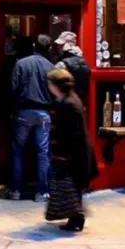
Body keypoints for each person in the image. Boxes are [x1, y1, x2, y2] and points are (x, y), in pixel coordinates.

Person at [45, 69, 98, 232]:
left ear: (55, 85)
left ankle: (76, 220)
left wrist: (64, 156)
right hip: (70, 153)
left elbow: (72, 133)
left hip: (72, 154)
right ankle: (74, 218)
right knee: (69, 186)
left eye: (49, 83)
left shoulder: (69, 104)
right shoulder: (67, 100)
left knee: (70, 186)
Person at [10, 34, 54, 202]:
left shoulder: (20, 64)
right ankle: (42, 192)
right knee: (43, 152)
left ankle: (16, 190)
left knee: (18, 151)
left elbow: (13, 89)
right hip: (44, 113)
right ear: (49, 48)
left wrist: (12, 110)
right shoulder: (51, 67)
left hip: (23, 112)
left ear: (35, 46)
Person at [54, 32, 91, 106]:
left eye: (61, 45)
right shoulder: (83, 61)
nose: (58, 47)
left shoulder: (63, 64)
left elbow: (53, 81)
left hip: (65, 104)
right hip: (80, 103)